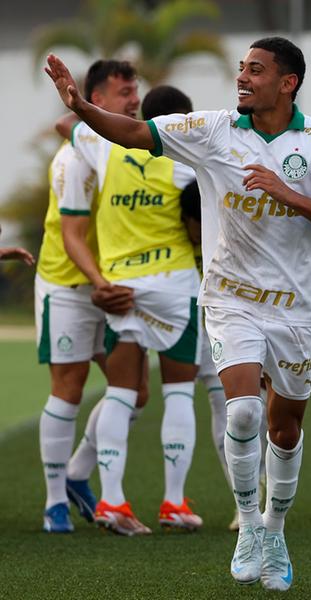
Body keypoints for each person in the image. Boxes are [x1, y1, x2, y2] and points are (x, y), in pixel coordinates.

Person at [46, 34, 311, 590]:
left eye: (256, 70)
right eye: (241, 68)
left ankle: (274, 528)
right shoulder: (213, 129)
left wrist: (287, 194)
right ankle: (248, 527)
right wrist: (80, 107)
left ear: (287, 83)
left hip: (298, 310)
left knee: (284, 430)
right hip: (230, 297)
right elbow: (135, 132)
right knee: (242, 413)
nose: (242, 77)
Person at [60, 82, 204, 535]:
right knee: (179, 393)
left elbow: (66, 124)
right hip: (175, 287)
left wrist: (85, 110)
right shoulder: (189, 163)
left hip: (120, 286)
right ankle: (174, 502)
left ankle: (113, 502)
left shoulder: (103, 145)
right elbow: (199, 231)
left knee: (120, 394)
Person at [36, 59, 149, 534]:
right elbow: (73, 235)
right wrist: (99, 283)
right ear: (96, 100)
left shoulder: (128, 147)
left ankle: (81, 473)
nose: (135, 100)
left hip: (113, 284)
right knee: (70, 388)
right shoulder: (75, 156)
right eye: (124, 93)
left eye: (136, 90)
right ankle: (55, 502)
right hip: (69, 284)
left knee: (137, 393)